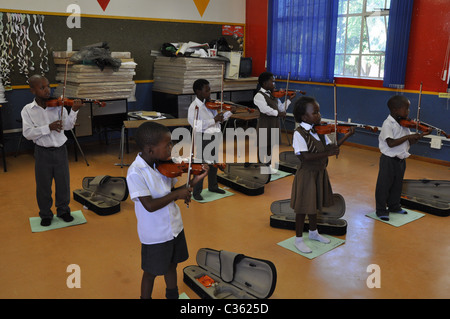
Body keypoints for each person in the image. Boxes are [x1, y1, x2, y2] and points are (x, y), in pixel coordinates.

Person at [126, 121, 208, 299]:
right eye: (168, 145)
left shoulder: (163, 164)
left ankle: (173, 296)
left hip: (174, 228)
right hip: (155, 234)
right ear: (150, 150)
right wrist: (177, 195)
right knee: (151, 272)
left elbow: (173, 192)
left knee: (172, 265)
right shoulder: (136, 172)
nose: (172, 148)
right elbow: (149, 205)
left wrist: (195, 180)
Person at [290, 96, 354, 253]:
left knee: (314, 204)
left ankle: (313, 233)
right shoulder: (299, 133)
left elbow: (330, 148)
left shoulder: (320, 131)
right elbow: (304, 157)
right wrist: (329, 153)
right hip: (307, 174)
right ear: (304, 116)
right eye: (315, 112)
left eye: (318, 112)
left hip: (319, 172)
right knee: (303, 207)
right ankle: (298, 239)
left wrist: (346, 136)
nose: (319, 115)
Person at [21, 75, 83, 226]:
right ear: (32, 90)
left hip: (61, 150)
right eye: (42, 88)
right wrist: (48, 127)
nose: (47, 90)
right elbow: (28, 133)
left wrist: (74, 110)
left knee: (63, 183)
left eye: (48, 86)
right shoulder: (28, 110)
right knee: (43, 185)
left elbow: (67, 126)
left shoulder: (58, 106)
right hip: (42, 152)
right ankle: (45, 214)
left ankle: (63, 211)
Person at [375, 95, 430, 221]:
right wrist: (408, 138)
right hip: (388, 160)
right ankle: (381, 210)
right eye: (406, 109)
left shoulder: (404, 124)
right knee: (384, 185)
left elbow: (409, 142)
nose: (408, 112)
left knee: (397, 185)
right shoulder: (388, 124)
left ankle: (394, 206)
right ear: (395, 109)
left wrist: (421, 135)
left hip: (401, 159)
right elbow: (391, 143)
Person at [187, 78, 235, 201]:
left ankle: (213, 186)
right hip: (204, 137)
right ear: (198, 91)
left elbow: (220, 119)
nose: (210, 93)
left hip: (215, 135)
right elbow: (196, 125)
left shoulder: (210, 104)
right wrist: (214, 120)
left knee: (214, 163)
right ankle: (196, 191)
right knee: (203, 165)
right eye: (207, 90)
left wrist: (229, 113)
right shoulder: (194, 107)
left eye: (209, 90)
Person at [253, 72, 294, 166]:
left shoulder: (274, 95)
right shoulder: (259, 96)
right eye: (272, 82)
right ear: (264, 83)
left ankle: (268, 166)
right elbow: (265, 109)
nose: (274, 84)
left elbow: (280, 108)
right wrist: (278, 114)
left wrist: (289, 100)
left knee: (271, 147)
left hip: (274, 123)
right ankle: (260, 167)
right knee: (263, 147)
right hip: (265, 124)